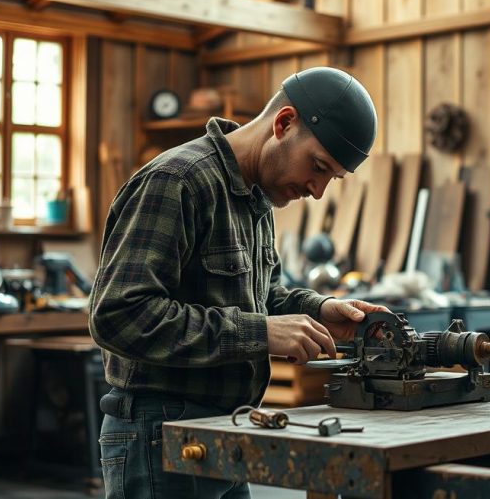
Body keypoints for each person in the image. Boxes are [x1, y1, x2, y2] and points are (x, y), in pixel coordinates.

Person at [89, 67, 386, 499]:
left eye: (331, 178)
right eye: (318, 167)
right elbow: (118, 315)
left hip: (227, 431)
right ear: (284, 124)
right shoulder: (178, 181)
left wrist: (320, 311)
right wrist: (260, 333)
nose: (317, 190)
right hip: (161, 435)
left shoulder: (255, 199)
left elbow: (264, 298)